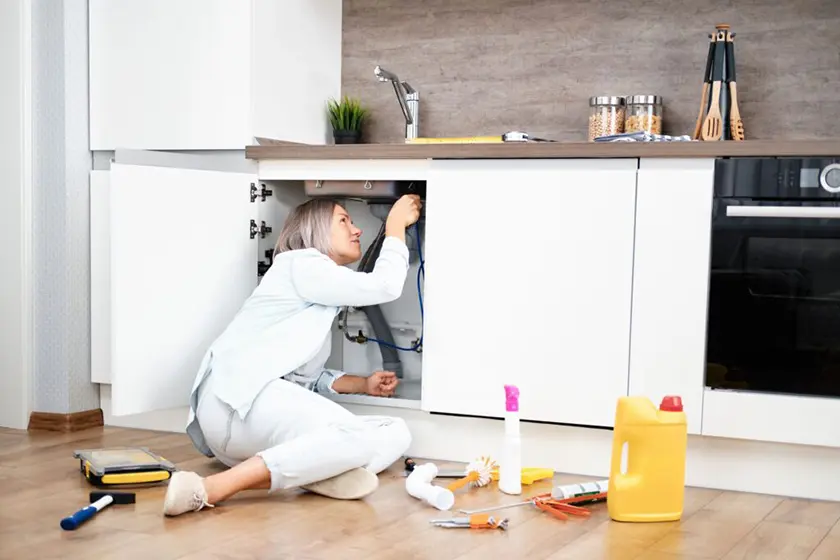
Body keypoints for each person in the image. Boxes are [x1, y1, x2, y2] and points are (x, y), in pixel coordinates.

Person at [162, 194, 423, 517]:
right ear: (314, 229)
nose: (356, 230)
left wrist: (363, 384)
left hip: (255, 430)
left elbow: (303, 381)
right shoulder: (300, 263)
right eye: (344, 220)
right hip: (233, 406)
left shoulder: (316, 286)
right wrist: (395, 225)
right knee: (355, 436)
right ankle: (213, 487)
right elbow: (385, 286)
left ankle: (308, 469)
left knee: (396, 431)